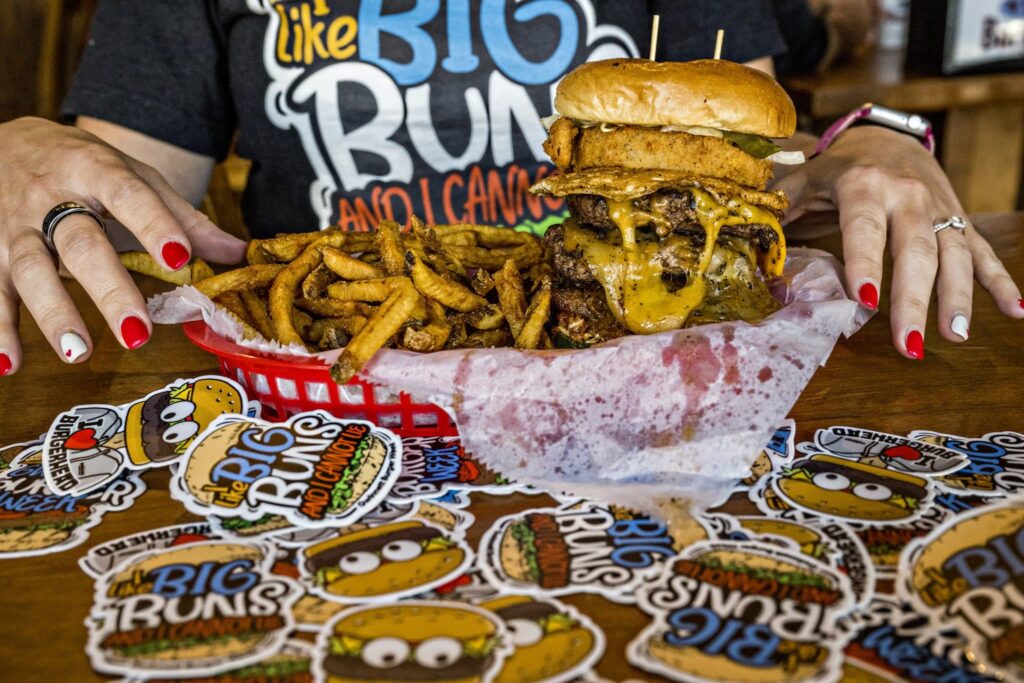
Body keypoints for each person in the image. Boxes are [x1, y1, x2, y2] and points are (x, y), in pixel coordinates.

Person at [0, 0, 1019, 377]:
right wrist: (35, 163)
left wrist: (873, 140)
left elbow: (756, 166)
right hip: (330, 389)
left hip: (655, 376)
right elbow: (123, 206)